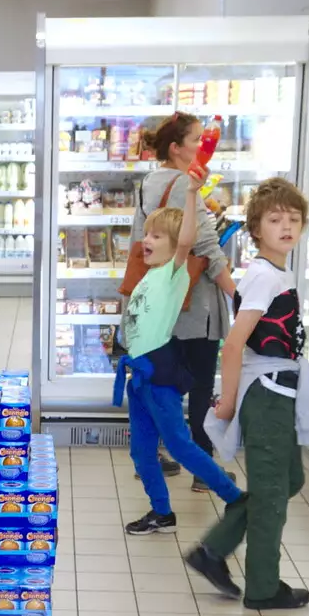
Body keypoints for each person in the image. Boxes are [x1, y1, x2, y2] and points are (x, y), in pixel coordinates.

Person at [186, 177, 309, 608]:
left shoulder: (278, 271)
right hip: (266, 396)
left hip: (280, 392)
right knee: (270, 497)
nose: (286, 226)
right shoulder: (264, 276)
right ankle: (263, 588)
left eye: (294, 219)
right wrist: (226, 400)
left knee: (288, 481)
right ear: (256, 229)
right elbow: (234, 342)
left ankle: (212, 550)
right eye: (275, 219)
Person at [115, 172, 244, 536]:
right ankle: (162, 513)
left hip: (161, 378)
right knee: (141, 453)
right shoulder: (151, 273)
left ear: (175, 248)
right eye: (147, 233)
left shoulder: (174, 273)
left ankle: (234, 496)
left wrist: (191, 193)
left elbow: (187, 239)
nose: (147, 240)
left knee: (180, 445)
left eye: (157, 236)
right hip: (139, 378)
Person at [123, 113, 237, 492]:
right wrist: (237, 292)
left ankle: (152, 453)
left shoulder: (149, 182)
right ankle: (204, 471)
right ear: (176, 148)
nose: (206, 147)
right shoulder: (182, 184)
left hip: (166, 304)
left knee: (164, 382)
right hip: (195, 306)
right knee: (201, 384)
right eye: (197, 141)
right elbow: (203, 244)